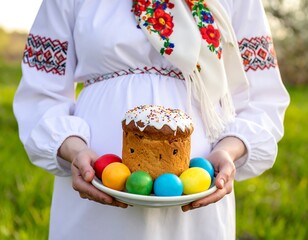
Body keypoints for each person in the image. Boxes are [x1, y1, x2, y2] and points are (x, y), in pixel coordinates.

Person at [13, 0, 290, 239]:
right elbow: (42, 94)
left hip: (196, 197)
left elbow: (261, 98)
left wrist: (227, 151)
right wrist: (74, 150)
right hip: (95, 184)